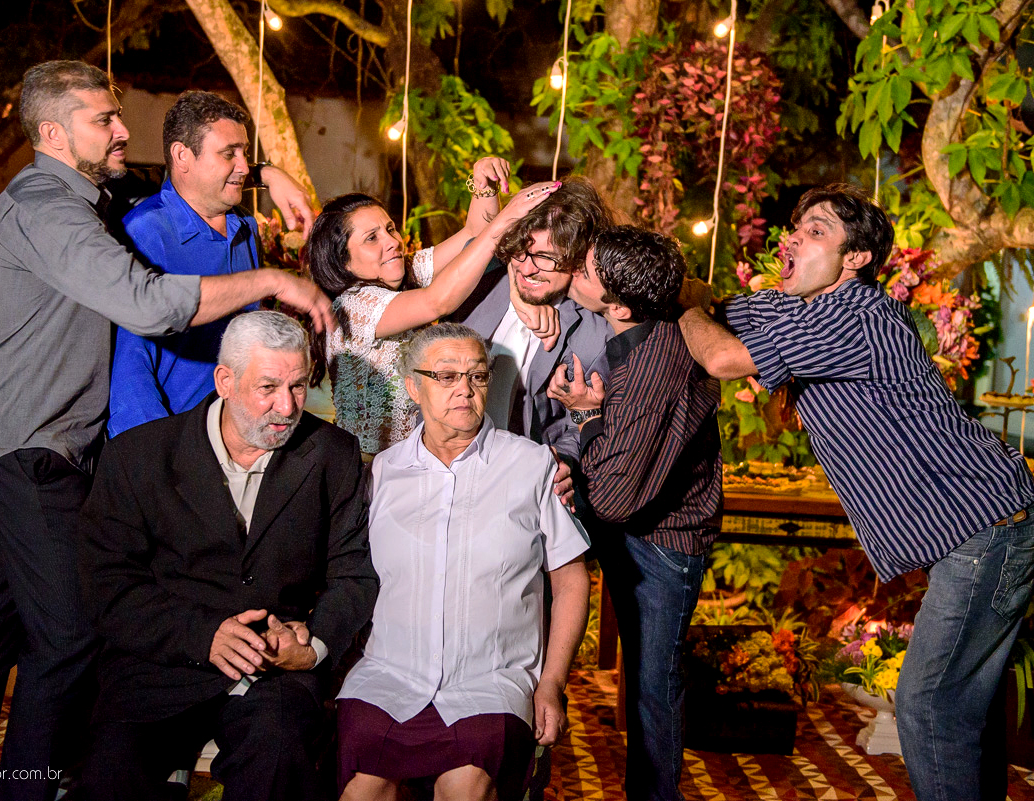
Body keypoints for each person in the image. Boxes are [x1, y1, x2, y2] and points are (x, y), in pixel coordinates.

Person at [0, 60, 333, 801]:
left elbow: (186, 182)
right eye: (104, 120)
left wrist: (267, 170)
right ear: (54, 134)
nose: (123, 130)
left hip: (41, 444)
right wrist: (275, 281)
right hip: (32, 449)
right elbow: (145, 304)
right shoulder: (45, 207)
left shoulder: (86, 194)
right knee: (69, 635)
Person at [679, 183, 1034, 801]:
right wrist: (697, 298)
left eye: (816, 230)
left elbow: (722, 358)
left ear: (856, 261)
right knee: (956, 710)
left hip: (987, 529)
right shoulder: (802, 309)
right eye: (796, 227)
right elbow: (733, 311)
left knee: (928, 706)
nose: (794, 237)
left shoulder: (857, 317)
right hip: (985, 527)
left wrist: (683, 306)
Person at [75, 310, 376, 801]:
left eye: (299, 386)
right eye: (268, 388)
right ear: (225, 381)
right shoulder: (138, 456)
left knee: (280, 765)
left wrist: (314, 645)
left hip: (273, 671)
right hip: (159, 665)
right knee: (110, 779)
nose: (287, 406)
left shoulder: (331, 454)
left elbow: (354, 574)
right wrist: (202, 635)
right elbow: (107, 585)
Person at [337, 323, 590, 801]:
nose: (464, 390)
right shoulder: (382, 474)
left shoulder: (532, 466)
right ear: (413, 386)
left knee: (466, 788)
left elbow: (572, 580)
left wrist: (551, 684)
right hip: (391, 675)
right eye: (446, 376)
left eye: (476, 376)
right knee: (361, 792)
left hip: (490, 680)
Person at [547, 226, 722, 801]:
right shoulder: (647, 334)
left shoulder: (650, 365)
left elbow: (617, 498)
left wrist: (587, 419)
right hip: (653, 536)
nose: (573, 271)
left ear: (618, 306)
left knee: (653, 684)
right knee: (648, 680)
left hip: (661, 544)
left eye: (586, 272)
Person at [306, 165, 560, 456]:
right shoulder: (352, 306)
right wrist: (505, 220)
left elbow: (474, 234)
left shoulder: (404, 273)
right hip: (371, 464)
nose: (392, 242)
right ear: (344, 261)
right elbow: (437, 302)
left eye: (390, 229)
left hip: (420, 456)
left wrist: (483, 182)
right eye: (372, 238)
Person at [108, 90, 268, 437]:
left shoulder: (246, 228)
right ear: (182, 156)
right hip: (172, 440)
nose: (244, 167)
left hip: (237, 437)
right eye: (229, 154)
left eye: (245, 153)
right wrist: (161, 453)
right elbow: (129, 365)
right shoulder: (148, 230)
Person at [453, 176, 614, 478]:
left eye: (544, 258)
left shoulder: (594, 336)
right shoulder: (477, 283)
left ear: (579, 257)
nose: (527, 268)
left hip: (517, 482)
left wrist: (561, 458)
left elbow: (581, 428)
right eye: (521, 252)